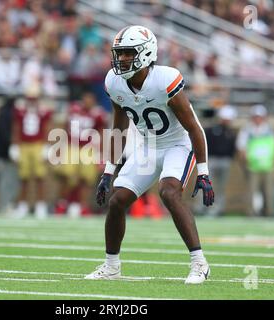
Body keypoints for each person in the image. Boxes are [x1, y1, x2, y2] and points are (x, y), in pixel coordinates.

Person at [85, 26, 214, 284]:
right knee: (117, 200)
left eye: (128, 53)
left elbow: (194, 127)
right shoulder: (114, 81)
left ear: (146, 54)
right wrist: (110, 171)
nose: (121, 59)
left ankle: (199, 263)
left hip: (178, 144)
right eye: (119, 54)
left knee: (168, 192)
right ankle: (112, 266)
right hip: (147, 146)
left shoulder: (165, 80)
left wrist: (203, 172)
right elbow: (119, 125)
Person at [10, 89, 53, 219]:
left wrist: (46, 145)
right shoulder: (20, 111)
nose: (32, 101)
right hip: (24, 145)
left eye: (34, 98)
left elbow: (46, 128)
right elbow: (16, 128)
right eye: (30, 98)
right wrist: (15, 145)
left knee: (40, 177)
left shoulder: (43, 111)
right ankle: (23, 205)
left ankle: (40, 206)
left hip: (38, 145)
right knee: (24, 178)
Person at [236, 104, 274, 217]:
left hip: (267, 165)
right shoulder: (247, 129)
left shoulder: (270, 129)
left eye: (260, 116)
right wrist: (244, 161)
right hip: (252, 165)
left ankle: (269, 213)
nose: (258, 119)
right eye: (256, 116)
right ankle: (251, 213)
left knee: (269, 191)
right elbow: (241, 146)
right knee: (251, 191)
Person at [194, 105, 237, 216]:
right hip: (212, 160)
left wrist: (230, 158)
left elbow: (233, 148)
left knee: (220, 187)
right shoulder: (211, 130)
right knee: (205, 184)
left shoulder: (231, 132)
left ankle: (217, 209)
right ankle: (201, 208)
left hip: (225, 161)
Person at [0, 96, 19, 214]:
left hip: (1, 154)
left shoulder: (1, 114)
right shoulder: (7, 115)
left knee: (3, 181)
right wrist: (11, 148)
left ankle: (4, 204)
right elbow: (5, 135)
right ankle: (5, 205)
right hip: (5, 155)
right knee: (6, 181)